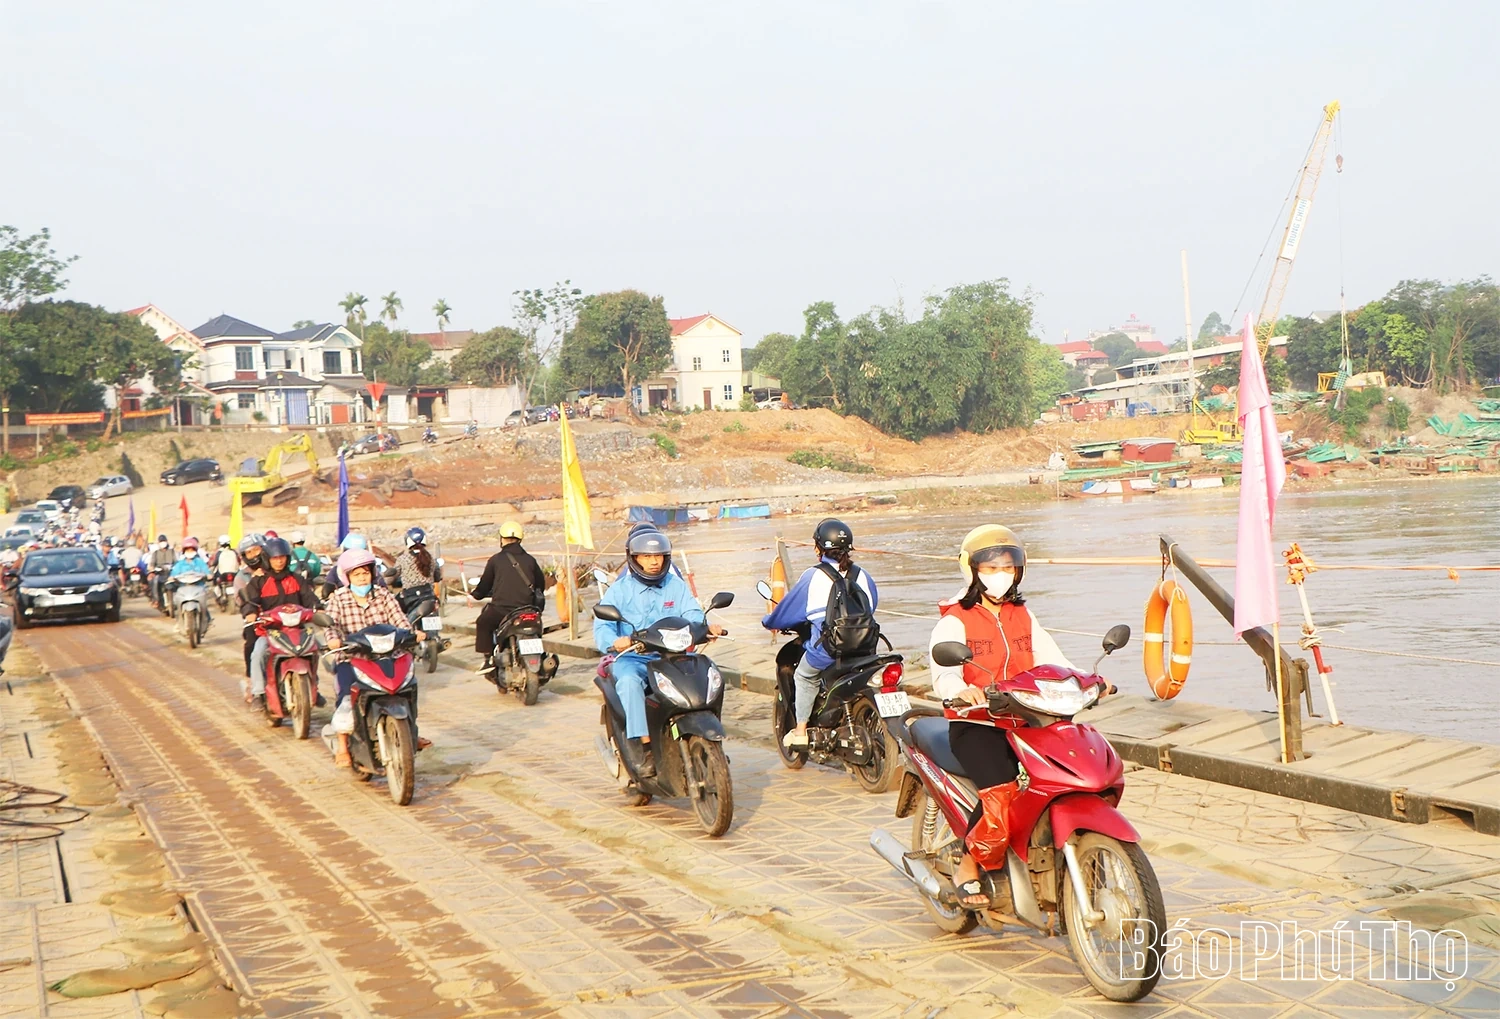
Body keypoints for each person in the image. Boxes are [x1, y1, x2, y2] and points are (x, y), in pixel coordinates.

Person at [927, 524, 1078, 908]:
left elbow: (1054, 660)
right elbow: (943, 673)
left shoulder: (1023, 615)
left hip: (1026, 720)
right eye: (991, 568)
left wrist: (1085, 680)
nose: (1000, 575)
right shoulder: (954, 620)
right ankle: (968, 865)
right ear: (972, 569)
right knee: (1002, 789)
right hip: (976, 723)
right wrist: (960, 690)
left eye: (1008, 567)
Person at [592, 529, 723, 778]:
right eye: (646, 556)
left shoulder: (675, 585)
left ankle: (710, 737)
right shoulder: (620, 590)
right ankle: (644, 747)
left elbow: (693, 614)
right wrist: (615, 641)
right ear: (634, 558)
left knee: (710, 674)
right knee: (630, 682)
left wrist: (705, 627)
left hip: (670, 658)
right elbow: (602, 627)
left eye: (659, 556)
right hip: (634, 658)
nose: (654, 562)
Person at [761, 518, 878, 748]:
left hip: (830, 651)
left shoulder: (814, 576)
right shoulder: (863, 575)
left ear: (818, 548)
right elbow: (871, 608)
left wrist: (770, 622)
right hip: (866, 648)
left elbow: (787, 611)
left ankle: (801, 731)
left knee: (804, 676)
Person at [321, 548, 429, 765]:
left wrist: (411, 633)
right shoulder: (339, 599)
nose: (362, 578)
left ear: (372, 573)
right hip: (353, 657)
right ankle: (342, 745)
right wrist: (334, 639)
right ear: (347, 577)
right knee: (345, 697)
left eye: (365, 573)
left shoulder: (383, 594)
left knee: (407, 687)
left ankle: (410, 732)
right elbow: (330, 624)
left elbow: (399, 619)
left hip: (388, 653)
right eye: (357, 574)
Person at [241, 536, 319, 712]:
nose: (279, 561)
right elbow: (249, 602)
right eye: (275, 558)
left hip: (296, 630)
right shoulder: (259, 581)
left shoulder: (297, 579)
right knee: (258, 653)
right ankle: (258, 693)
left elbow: (309, 597)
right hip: (269, 632)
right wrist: (251, 613)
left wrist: (318, 608)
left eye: (282, 557)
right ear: (267, 559)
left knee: (316, 649)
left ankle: (315, 687)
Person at [470, 520, 545, 678]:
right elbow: (540, 585)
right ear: (520, 539)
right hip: (528, 610)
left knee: (482, 622)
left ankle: (488, 660)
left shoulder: (495, 560)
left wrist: (475, 595)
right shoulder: (530, 560)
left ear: (502, 539)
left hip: (502, 610)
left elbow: (484, 587)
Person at [167, 536, 213, 625]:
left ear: (195, 550)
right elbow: (174, 573)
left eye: (191, 550)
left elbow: (206, 571)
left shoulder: (200, 562)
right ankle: (179, 622)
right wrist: (171, 577)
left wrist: (208, 575)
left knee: (203, 604)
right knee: (178, 603)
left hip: (198, 587)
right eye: (187, 550)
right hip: (184, 588)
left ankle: (208, 620)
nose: (189, 552)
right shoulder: (180, 564)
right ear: (184, 551)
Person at [146, 535, 176, 608]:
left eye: (164, 541)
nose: (163, 543)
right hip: (160, 573)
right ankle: (156, 600)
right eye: (161, 542)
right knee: (154, 582)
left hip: (170, 573)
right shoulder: (156, 553)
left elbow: (176, 562)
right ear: (158, 543)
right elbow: (152, 564)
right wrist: (152, 569)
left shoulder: (171, 551)